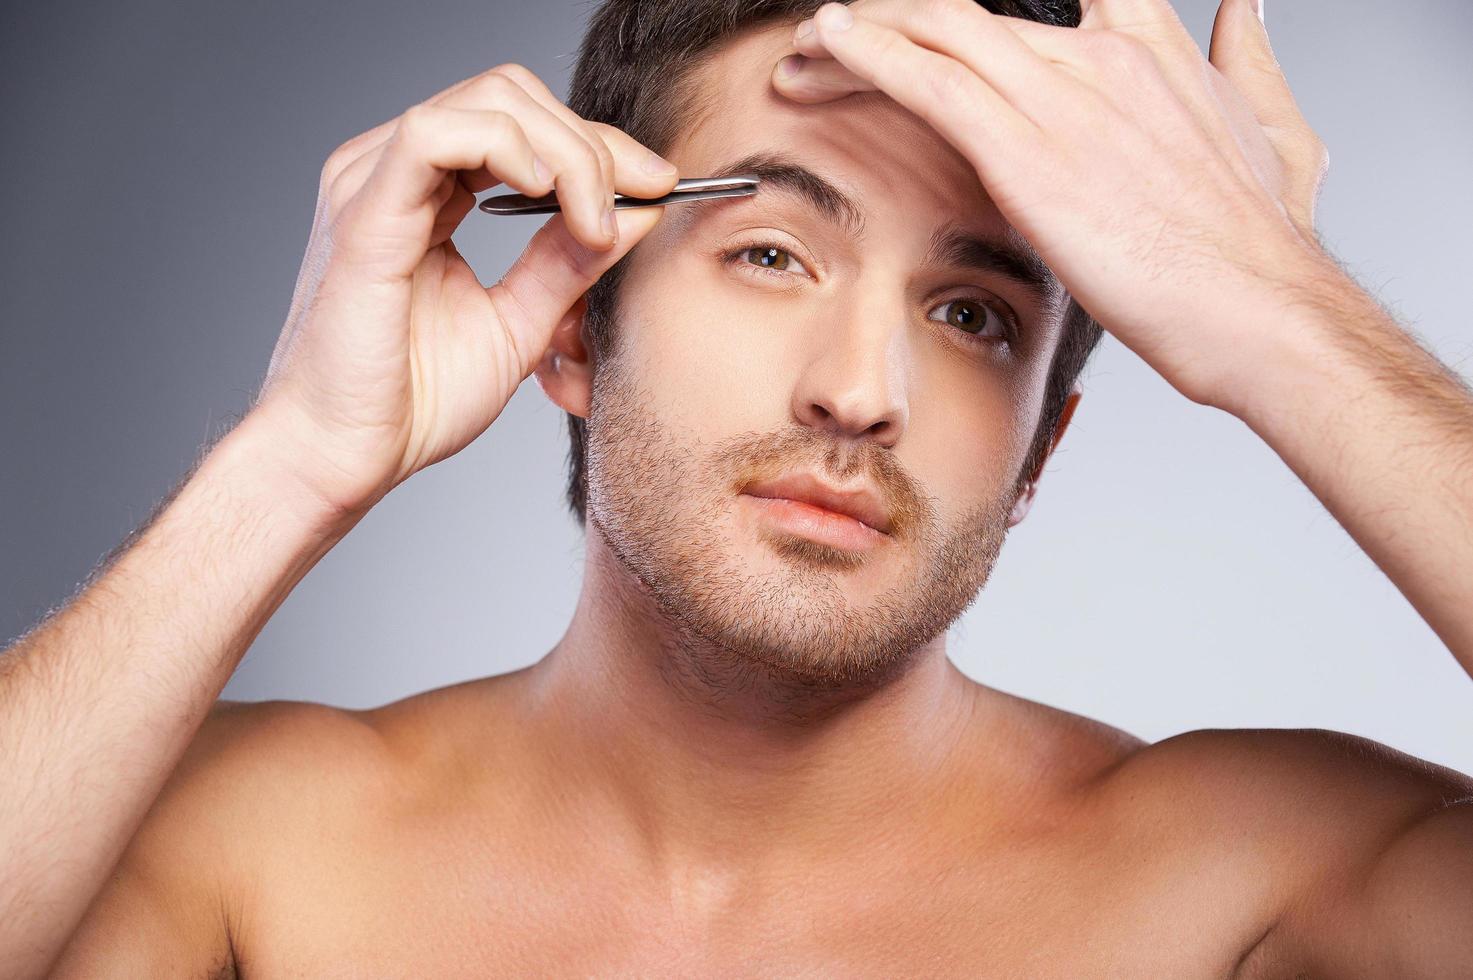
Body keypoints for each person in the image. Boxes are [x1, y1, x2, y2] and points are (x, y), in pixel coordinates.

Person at [4, 0, 1471, 974]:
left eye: (973, 313)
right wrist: (293, 460)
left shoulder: (1250, 884)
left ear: (1040, 454)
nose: (858, 390)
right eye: (771, 252)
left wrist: (1286, 319)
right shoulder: (252, 845)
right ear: (575, 324)